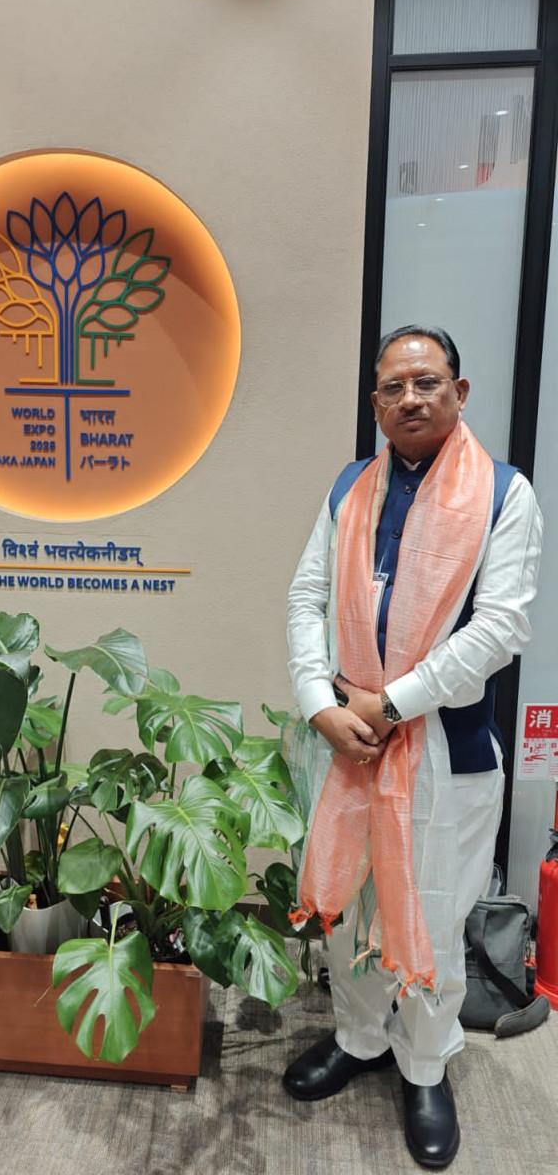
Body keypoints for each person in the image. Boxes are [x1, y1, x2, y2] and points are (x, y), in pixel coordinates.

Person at [283, 326, 543, 1170]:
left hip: (443, 747)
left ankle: (425, 1064)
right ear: (375, 404)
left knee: (430, 912)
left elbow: (500, 628)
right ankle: (359, 1038)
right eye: (392, 387)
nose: (409, 399)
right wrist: (320, 703)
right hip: (347, 742)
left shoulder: (504, 494)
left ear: (459, 393)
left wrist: (390, 702)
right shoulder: (349, 488)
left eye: (427, 382)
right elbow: (306, 597)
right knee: (352, 901)